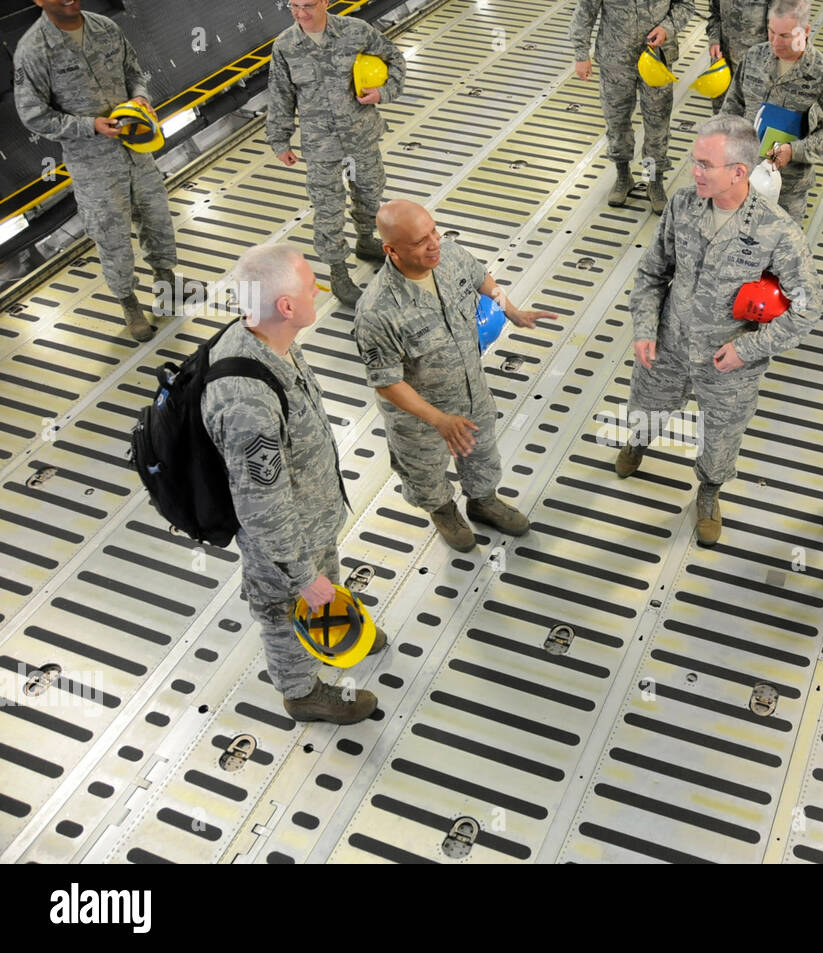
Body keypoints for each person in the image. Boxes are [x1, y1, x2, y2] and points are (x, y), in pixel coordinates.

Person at [617, 114, 822, 544]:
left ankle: (708, 492)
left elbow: (807, 308)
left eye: (704, 165)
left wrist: (748, 349)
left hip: (728, 364)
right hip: (669, 345)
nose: (694, 172)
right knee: (647, 404)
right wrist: (643, 327)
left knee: (722, 434)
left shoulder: (777, 233)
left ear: (738, 172)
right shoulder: (682, 205)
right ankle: (638, 442)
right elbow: (653, 273)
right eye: (694, 161)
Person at [202, 244, 380, 724]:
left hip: (309, 521)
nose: (318, 289)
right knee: (284, 611)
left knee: (321, 585)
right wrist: (301, 575)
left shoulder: (272, 340)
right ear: (285, 306)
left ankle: (329, 626)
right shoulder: (246, 401)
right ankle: (301, 692)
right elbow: (261, 505)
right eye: (309, 285)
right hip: (281, 542)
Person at [353, 200, 555, 552]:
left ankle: (483, 501)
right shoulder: (377, 311)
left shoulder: (450, 255)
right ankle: (443, 512)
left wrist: (512, 309)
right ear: (391, 250)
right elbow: (386, 381)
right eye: (419, 241)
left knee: (482, 454)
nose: (434, 243)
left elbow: (481, 279)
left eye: (433, 230)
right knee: (425, 472)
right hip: (421, 419)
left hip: (471, 393)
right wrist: (438, 420)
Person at [14, 0, 179, 342]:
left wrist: (140, 96)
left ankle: (166, 284)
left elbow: (133, 71)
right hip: (94, 165)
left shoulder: (105, 28)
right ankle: (129, 303)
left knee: (157, 219)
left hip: (136, 149)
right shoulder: (33, 49)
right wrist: (90, 126)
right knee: (112, 235)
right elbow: (34, 115)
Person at [266, 0, 406, 307]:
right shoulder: (286, 45)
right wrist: (280, 140)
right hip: (321, 146)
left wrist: (383, 93)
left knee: (370, 192)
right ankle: (339, 274)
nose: (300, 14)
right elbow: (280, 95)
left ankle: (367, 240)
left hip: (361, 136)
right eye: (293, 6)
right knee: (328, 209)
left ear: (326, 2)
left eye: (308, 5)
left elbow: (395, 59)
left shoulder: (356, 31)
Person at [719, 0, 823, 221]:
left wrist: (794, 150)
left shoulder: (822, 74)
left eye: (785, 36)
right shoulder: (754, 58)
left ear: (805, 31)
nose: (775, 42)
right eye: (771, 32)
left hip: (788, 188)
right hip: (742, 178)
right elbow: (732, 108)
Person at [571, 0, 695, 212]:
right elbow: (585, 10)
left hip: (657, 58)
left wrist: (667, 28)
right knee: (616, 120)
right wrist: (581, 54)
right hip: (616, 59)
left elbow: (686, 5)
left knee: (658, 123)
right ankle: (623, 175)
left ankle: (655, 181)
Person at [706, 0, 772, 115]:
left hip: (754, 71)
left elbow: (778, 29)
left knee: (750, 125)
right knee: (720, 122)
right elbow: (714, 14)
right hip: (722, 64)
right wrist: (714, 40)